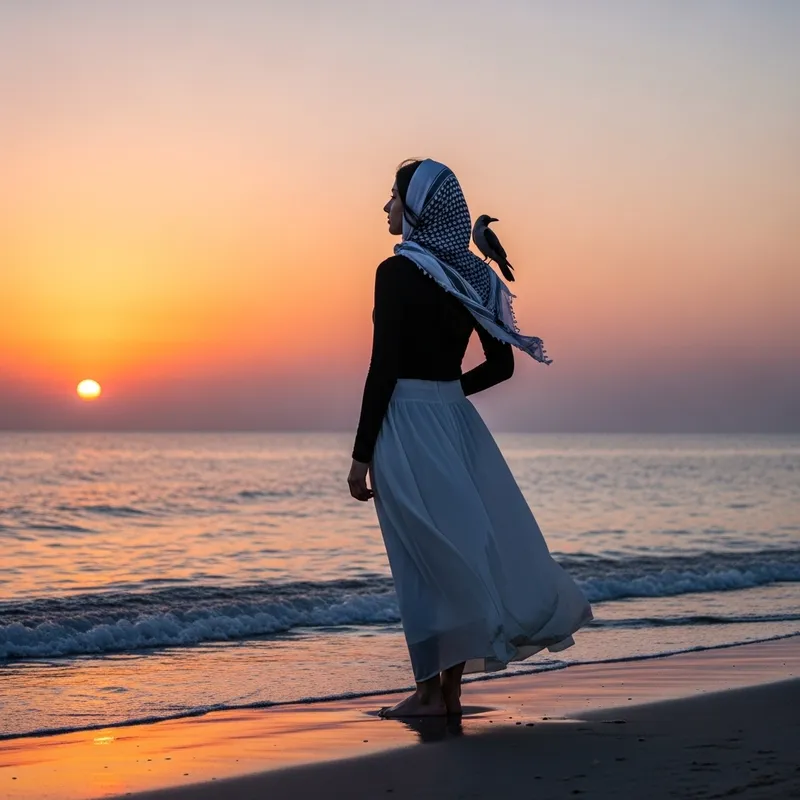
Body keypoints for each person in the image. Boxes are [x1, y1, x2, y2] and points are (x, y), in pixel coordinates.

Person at [348, 158, 592, 718]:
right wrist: (448, 393)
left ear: (415, 208)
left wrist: (361, 456)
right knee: (455, 549)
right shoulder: (472, 274)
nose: (385, 207)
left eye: (392, 196)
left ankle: (430, 692)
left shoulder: (398, 272)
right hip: (455, 423)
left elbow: (382, 366)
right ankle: (445, 692)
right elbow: (501, 365)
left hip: (404, 422)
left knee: (421, 560)